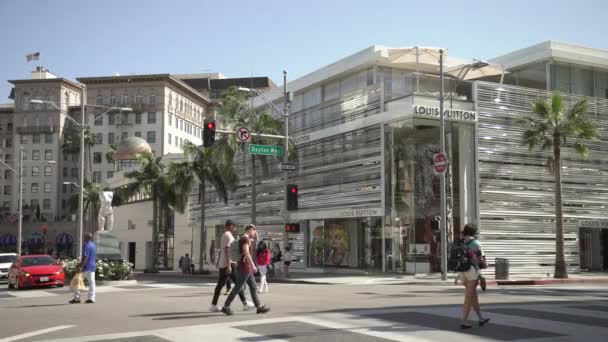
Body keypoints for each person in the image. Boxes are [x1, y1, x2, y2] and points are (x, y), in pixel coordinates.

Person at [221, 224, 270, 315]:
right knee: (237, 288)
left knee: (253, 287)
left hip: (246, 268)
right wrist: (253, 265)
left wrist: (255, 236)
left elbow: (254, 241)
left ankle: (258, 307)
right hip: (245, 267)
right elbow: (246, 252)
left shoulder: (244, 238)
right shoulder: (245, 239)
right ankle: (226, 306)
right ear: (250, 230)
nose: (255, 233)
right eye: (254, 231)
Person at [210, 220, 253, 312]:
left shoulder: (225, 235)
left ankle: (213, 305)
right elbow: (227, 250)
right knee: (238, 284)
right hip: (228, 264)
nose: (236, 228)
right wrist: (229, 265)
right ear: (230, 226)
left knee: (220, 285)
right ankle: (245, 303)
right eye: (235, 226)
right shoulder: (228, 236)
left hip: (225, 264)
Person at [458, 224, 490, 329]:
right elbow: (481, 258)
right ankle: (464, 321)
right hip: (472, 271)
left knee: (473, 296)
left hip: (462, 272)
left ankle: (480, 318)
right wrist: (486, 265)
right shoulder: (476, 243)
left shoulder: (461, 242)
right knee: (468, 297)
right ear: (474, 233)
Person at [70, 232, 96, 304]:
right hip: (92, 267)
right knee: (92, 283)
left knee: (77, 282)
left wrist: (80, 266)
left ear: (87, 238)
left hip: (85, 267)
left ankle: (77, 298)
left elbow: (85, 257)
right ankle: (91, 298)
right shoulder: (93, 245)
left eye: (84, 237)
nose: (83, 238)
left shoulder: (86, 245)